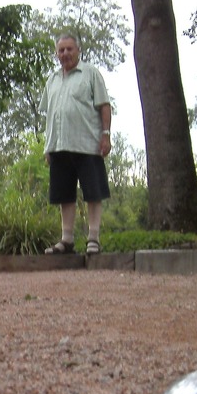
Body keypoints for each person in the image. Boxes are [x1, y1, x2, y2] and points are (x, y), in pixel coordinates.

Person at [38, 33, 112, 255]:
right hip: (59, 145)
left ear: (78, 50)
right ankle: (67, 240)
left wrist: (106, 134)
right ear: (56, 53)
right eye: (61, 50)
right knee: (63, 194)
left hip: (87, 143)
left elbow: (104, 105)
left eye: (69, 49)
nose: (65, 54)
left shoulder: (90, 74)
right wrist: (48, 145)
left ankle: (93, 238)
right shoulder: (52, 80)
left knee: (93, 191)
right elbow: (50, 114)